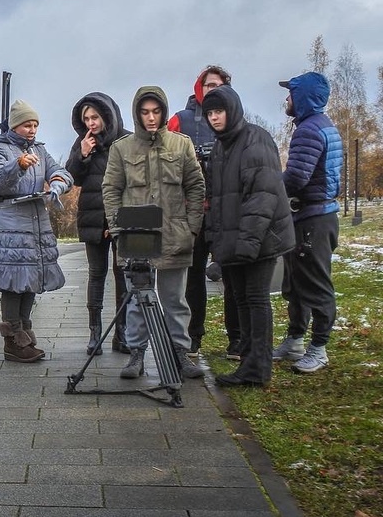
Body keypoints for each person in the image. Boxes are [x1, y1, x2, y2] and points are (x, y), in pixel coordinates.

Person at [102, 87, 206, 381]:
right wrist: (118, 226)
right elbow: (111, 189)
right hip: (136, 236)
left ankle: (180, 353)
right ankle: (136, 354)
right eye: (145, 112)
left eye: (156, 111)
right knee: (137, 299)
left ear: (163, 112)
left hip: (175, 234)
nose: (150, 117)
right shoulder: (121, 148)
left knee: (175, 300)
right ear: (137, 113)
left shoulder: (181, 145)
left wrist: (192, 226)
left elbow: (196, 186)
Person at [201, 85, 295, 387]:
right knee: (240, 299)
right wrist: (217, 242)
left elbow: (263, 197)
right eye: (210, 113)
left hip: (261, 240)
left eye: (219, 111)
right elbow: (216, 200)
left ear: (233, 110)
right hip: (235, 240)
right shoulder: (220, 146)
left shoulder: (256, 140)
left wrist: (248, 243)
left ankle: (258, 368)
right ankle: (248, 363)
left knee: (255, 299)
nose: (215, 118)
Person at [0, 100, 73, 362]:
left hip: (35, 224)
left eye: (35, 124)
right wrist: (19, 165)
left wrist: (57, 184)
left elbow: (60, 171)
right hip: (12, 227)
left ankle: (25, 334)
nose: (32, 129)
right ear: (15, 125)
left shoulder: (40, 150)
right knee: (13, 282)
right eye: (27, 125)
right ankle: (12, 340)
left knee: (30, 280)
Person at [167, 65, 242, 359]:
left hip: (226, 211)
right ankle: (193, 336)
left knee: (231, 276)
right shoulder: (180, 119)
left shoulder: (234, 119)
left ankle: (236, 339)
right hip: (193, 211)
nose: (213, 90)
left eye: (219, 85)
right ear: (199, 87)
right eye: (208, 85)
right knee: (193, 275)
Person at [274, 71, 343, 374]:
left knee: (315, 283)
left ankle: (318, 347)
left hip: (314, 218)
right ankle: (295, 339)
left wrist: (269, 183)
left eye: (290, 93)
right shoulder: (321, 126)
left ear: (301, 98)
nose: (286, 99)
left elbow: (298, 177)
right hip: (311, 215)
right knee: (296, 281)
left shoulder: (309, 130)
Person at [65, 92, 131, 355]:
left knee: (123, 275)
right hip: (93, 216)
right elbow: (72, 178)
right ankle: (95, 333)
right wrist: (82, 155)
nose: (91, 122)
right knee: (96, 274)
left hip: (122, 218)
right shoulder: (82, 142)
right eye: (86, 118)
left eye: (95, 117)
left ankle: (122, 333)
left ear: (107, 116)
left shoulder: (127, 139)